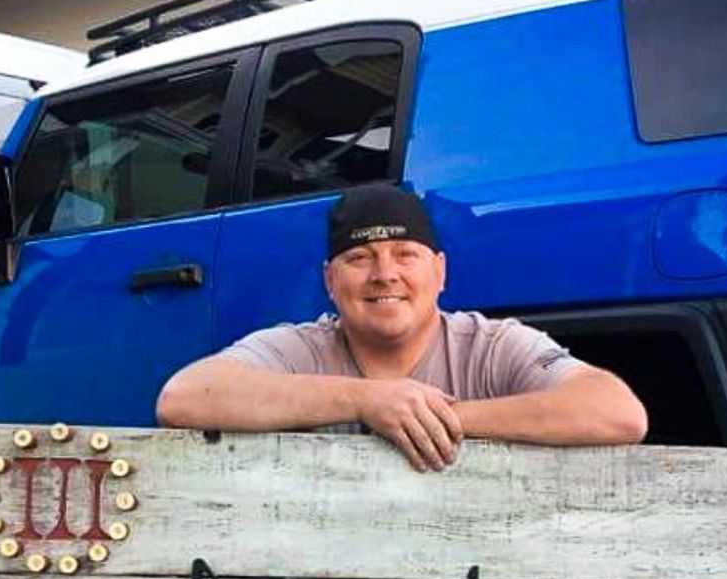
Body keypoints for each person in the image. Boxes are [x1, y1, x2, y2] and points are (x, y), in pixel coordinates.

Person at [157, 182, 647, 470]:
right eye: (359, 257)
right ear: (331, 280)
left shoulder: (492, 344)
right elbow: (183, 398)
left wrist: (433, 418)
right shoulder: (298, 347)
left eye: (405, 255)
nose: (384, 274)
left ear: (439, 271)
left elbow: (618, 413)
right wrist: (366, 400)